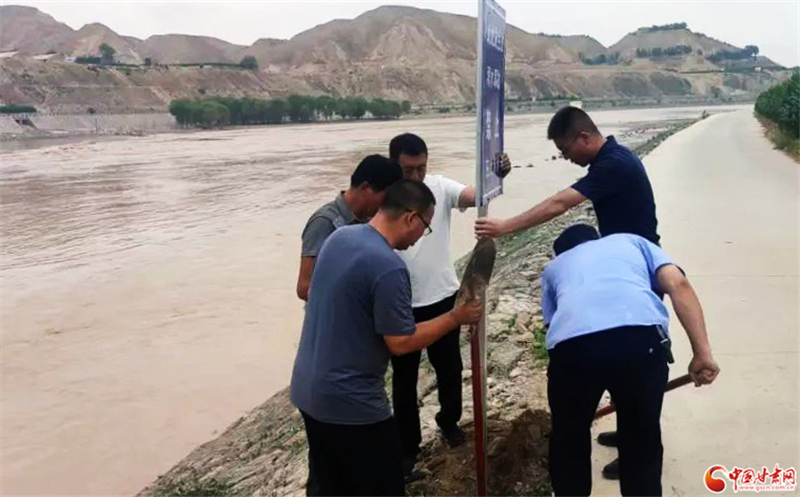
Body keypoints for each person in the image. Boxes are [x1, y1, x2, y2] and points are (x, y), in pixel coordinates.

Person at [474, 106, 660, 478]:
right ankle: (628, 427)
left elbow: (560, 203)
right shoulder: (610, 160)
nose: (565, 157)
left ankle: (635, 446)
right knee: (625, 365)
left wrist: (506, 226)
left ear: (584, 138)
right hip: (623, 264)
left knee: (634, 361)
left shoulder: (614, 165)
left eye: (565, 149)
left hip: (637, 270)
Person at [290, 179, 483, 496]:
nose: (421, 236)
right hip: (352, 402)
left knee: (331, 485)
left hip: (307, 390)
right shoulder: (388, 266)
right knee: (383, 485)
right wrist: (455, 317)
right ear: (411, 218)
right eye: (426, 227)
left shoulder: (340, 238)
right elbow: (401, 342)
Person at [541, 224, 720, 497]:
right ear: (598, 238)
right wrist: (702, 354)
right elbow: (678, 284)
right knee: (641, 439)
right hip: (640, 343)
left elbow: (552, 324)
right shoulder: (631, 242)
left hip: (575, 350)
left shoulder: (554, 268)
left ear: (561, 253)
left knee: (569, 438)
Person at [388, 133, 510, 479]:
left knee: (449, 368)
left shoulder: (439, 187)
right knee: (404, 381)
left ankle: (449, 421)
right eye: (408, 170)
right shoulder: (387, 198)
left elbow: (475, 195)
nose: (416, 177)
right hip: (400, 303)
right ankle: (407, 447)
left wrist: (496, 174)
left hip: (442, 298)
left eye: (421, 168)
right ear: (394, 166)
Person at [296, 154, 402, 301]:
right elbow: (304, 287)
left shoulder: (371, 221)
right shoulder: (325, 222)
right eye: (386, 199)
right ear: (365, 188)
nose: (387, 206)